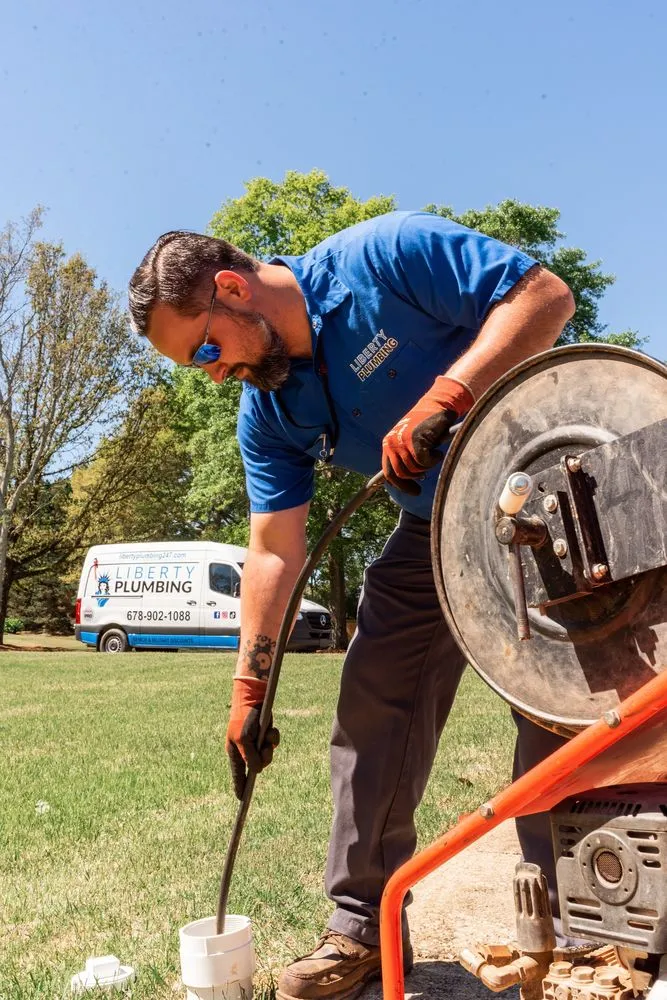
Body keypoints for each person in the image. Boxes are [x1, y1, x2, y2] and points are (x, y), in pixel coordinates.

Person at [129, 211, 576, 1000]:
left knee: (556, 709)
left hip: (544, 480)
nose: (211, 371)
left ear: (232, 289)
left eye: (206, 348)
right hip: (431, 521)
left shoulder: (385, 255)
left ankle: (583, 926)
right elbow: (272, 552)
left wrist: (448, 392)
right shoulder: (267, 411)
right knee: (374, 700)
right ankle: (361, 930)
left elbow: (543, 297)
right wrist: (247, 691)